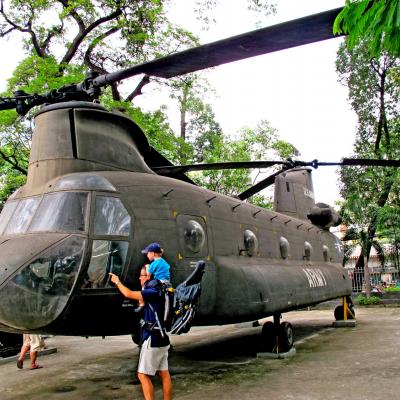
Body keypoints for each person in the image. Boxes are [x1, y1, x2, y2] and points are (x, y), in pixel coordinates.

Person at [109, 267, 172, 400]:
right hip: (163, 339)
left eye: (142, 275)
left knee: (142, 375)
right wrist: (142, 305)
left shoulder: (152, 291)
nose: (139, 278)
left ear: (149, 277)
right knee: (164, 374)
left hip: (152, 340)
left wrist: (117, 282)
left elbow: (128, 294)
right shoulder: (161, 290)